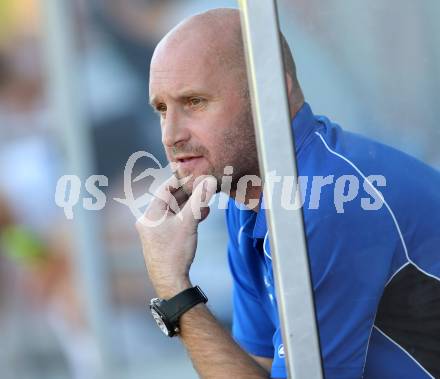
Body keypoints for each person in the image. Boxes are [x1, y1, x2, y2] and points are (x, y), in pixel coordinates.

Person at [135, 8, 440, 379]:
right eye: (162, 109)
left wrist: (174, 289)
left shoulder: (329, 202)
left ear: (272, 93)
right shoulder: (248, 196)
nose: (170, 135)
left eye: (194, 102)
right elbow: (256, 369)